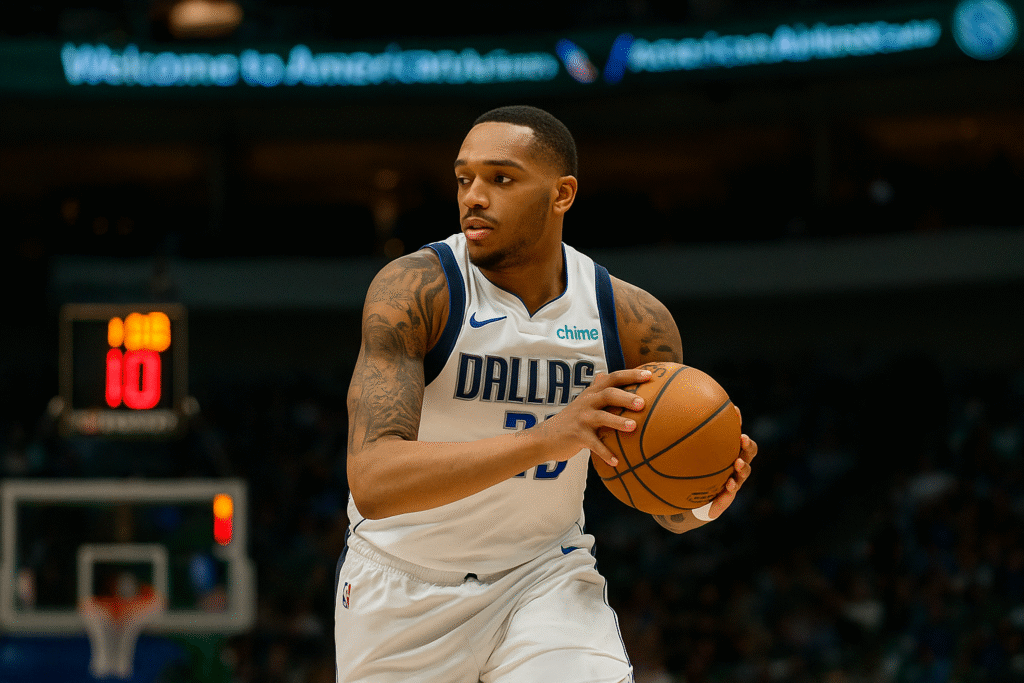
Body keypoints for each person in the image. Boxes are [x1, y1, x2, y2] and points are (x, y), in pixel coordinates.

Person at [336, 105, 758, 683]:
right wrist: (548, 438)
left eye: (501, 179)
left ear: (562, 194)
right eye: (465, 179)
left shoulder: (632, 321)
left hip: (543, 578)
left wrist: (700, 501)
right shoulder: (418, 288)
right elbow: (375, 479)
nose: (473, 198)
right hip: (402, 585)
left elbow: (665, 505)